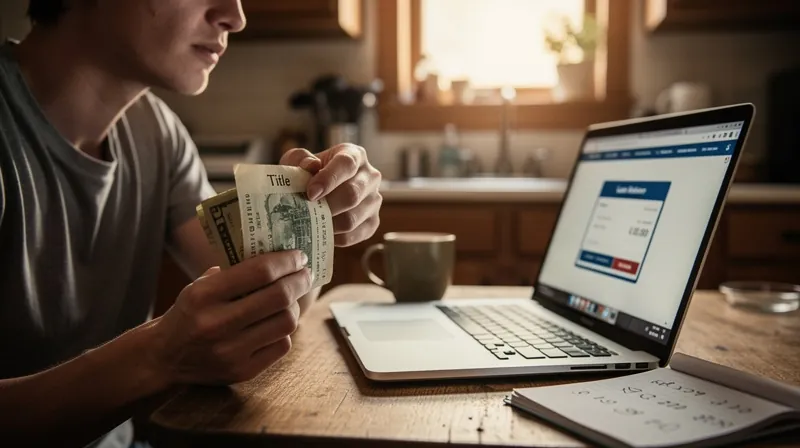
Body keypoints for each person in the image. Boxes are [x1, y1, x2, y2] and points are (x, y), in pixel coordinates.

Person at [0, 0, 383, 446]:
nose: (235, 16)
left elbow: (274, 305)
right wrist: (158, 358)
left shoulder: (158, 132)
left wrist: (313, 219)